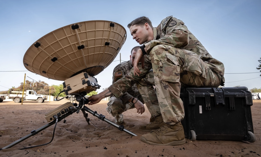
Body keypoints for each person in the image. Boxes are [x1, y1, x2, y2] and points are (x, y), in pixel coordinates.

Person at [88, 16, 225, 146]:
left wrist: (145, 48)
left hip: (210, 72)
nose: (134, 36)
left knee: (158, 50)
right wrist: (101, 95)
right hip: (186, 75)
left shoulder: (166, 24)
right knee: (140, 77)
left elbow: (182, 37)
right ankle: (159, 118)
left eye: (135, 31)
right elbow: (129, 79)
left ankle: (173, 129)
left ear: (147, 26)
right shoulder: (151, 50)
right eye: (132, 34)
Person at [108, 46, 162, 128]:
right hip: (124, 98)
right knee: (114, 101)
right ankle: (118, 117)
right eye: (134, 57)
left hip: (140, 96)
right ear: (130, 57)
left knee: (161, 92)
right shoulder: (120, 68)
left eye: (139, 58)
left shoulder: (147, 68)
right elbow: (116, 90)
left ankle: (156, 117)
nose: (136, 60)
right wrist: (133, 100)